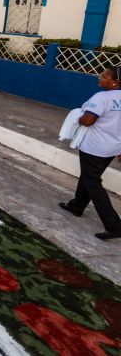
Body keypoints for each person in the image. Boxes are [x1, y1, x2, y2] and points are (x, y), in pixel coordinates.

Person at [59, 65, 121, 240]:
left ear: (115, 81)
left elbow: (88, 121)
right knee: (89, 177)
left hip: (94, 147)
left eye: (104, 76)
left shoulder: (102, 97)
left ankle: (114, 225)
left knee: (93, 181)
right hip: (112, 147)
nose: (99, 77)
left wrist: (77, 117)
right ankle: (76, 206)